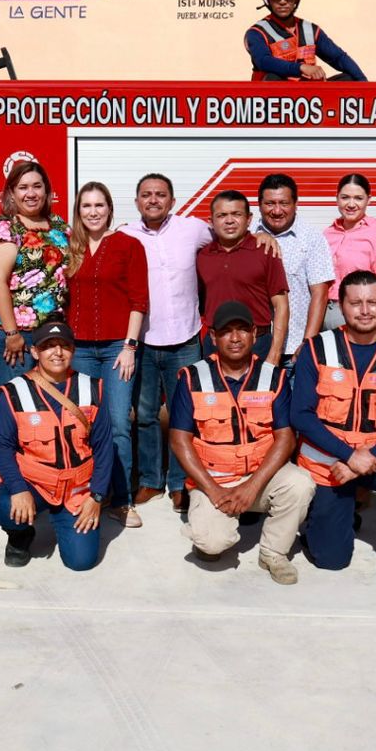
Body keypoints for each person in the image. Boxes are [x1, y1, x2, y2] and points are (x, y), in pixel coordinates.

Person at [119, 174, 281, 510]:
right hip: (146, 340)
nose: (153, 200)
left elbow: (233, 231)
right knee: (147, 413)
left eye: (161, 194)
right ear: (137, 202)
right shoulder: (124, 235)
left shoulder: (193, 230)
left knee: (187, 417)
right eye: (146, 195)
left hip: (187, 339)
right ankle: (150, 479)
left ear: (172, 201)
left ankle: (180, 483)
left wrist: (264, 235)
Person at [291, 271, 376, 599]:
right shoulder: (317, 349)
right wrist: (348, 455)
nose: (365, 310)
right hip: (329, 459)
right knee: (330, 560)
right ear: (342, 305)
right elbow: (301, 415)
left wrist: (362, 459)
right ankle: (325, 517)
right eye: (355, 303)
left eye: (373, 302)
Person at [169, 301, 312, 584]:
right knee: (212, 545)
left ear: (255, 333)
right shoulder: (192, 377)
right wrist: (213, 490)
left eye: (242, 330)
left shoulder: (274, 377)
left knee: (300, 484)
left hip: (260, 477)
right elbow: (179, 440)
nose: (235, 338)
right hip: (215, 480)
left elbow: (285, 438)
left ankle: (273, 553)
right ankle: (216, 524)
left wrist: (252, 486)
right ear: (213, 338)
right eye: (226, 332)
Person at [0, 320, 113, 571]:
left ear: (73, 351)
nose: (57, 352)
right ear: (35, 352)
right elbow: (0, 447)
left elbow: (104, 447)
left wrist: (96, 496)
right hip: (35, 484)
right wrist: (18, 489)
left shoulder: (92, 388)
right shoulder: (14, 393)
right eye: (48, 346)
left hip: (77, 488)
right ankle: (19, 536)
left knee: (81, 562)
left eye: (64, 346)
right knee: (6, 508)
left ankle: (63, 518)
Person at [65, 181, 149, 528]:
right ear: (78, 211)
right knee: (80, 423)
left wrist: (130, 347)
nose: (93, 212)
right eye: (87, 206)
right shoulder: (70, 247)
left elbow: (138, 300)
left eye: (100, 205)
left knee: (116, 424)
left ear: (110, 209)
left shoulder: (128, 246)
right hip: (79, 349)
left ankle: (121, 500)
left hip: (117, 348)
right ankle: (82, 492)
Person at [0, 160, 70, 396]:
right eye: (23, 187)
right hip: (18, 334)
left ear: (47, 190)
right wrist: (12, 333)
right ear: (12, 193)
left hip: (52, 332)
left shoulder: (59, 225)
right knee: (12, 401)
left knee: (43, 405)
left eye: (37, 186)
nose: (31, 193)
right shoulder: (5, 228)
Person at [197, 190, 289, 369]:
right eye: (222, 215)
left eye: (236, 214)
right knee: (215, 397)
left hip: (257, 343)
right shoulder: (202, 256)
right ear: (211, 221)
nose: (229, 220)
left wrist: (274, 354)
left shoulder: (265, 251)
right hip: (215, 345)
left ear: (249, 219)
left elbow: (281, 305)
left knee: (258, 397)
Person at [253, 173, 335, 368]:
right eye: (270, 203)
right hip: (256, 346)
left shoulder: (311, 238)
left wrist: (308, 343)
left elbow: (320, 294)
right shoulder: (248, 236)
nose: (277, 210)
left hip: (294, 349)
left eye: (284, 203)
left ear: (296, 204)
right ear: (259, 205)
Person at [244, 0, 366, 82]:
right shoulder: (257, 33)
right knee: (272, 78)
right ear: (267, 0)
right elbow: (263, 62)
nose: (282, 2)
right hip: (275, 98)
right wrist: (301, 68)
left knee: (349, 79)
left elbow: (338, 58)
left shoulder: (310, 30)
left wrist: (365, 84)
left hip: (308, 97)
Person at [323, 172, 376, 331]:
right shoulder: (327, 234)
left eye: (358, 198)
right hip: (328, 318)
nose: (351, 204)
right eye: (345, 197)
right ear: (337, 198)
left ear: (368, 200)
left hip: (366, 320)